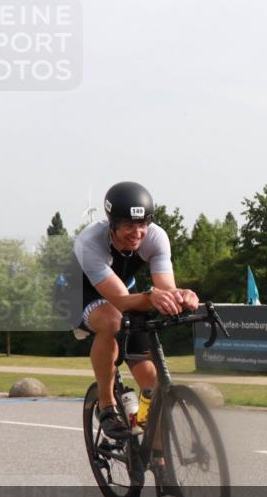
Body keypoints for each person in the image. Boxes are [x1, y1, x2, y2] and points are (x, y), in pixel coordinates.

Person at [73, 181, 199, 441]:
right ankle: (107, 406)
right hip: (82, 294)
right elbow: (120, 300)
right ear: (112, 223)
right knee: (111, 320)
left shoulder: (156, 236)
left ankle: (158, 460)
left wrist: (182, 296)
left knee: (151, 379)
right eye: (129, 225)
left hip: (126, 293)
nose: (137, 232)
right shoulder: (90, 241)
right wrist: (153, 297)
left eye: (142, 224)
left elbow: (165, 288)